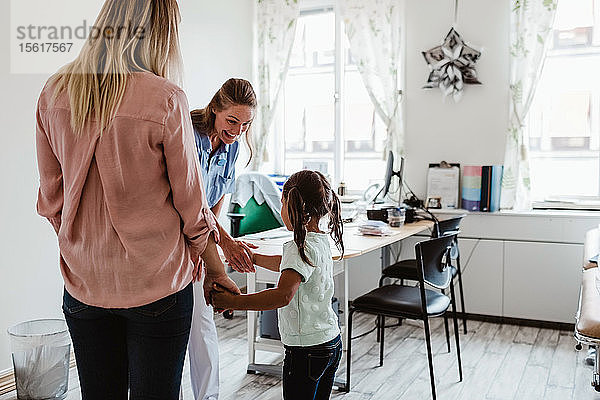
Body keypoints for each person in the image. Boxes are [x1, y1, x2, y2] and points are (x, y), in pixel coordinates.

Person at [35, 1, 238, 399]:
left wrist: (86, 245)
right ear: (162, 32)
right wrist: (216, 269)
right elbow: (192, 210)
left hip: (82, 286)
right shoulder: (165, 98)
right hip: (158, 286)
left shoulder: (53, 92)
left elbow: (51, 201)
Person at [211, 170, 345, 400]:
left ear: (293, 206)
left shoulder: (299, 247)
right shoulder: (320, 241)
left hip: (305, 350)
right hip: (330, 343)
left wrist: (234, 301)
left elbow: (282, 296)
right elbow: (289, 266)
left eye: (282, 203)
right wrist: (254, 259)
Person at [187, 78, 259, 400]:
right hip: (174, 242)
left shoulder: (231, 148)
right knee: (175, 334)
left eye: (246, 125)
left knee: (203, 328)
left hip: (202, 242)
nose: (238, 131)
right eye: (232, 120)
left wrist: (218, 247)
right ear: (215, 109)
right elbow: (191, 205)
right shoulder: (188, 135)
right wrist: (226, 244)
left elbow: (214, 208)